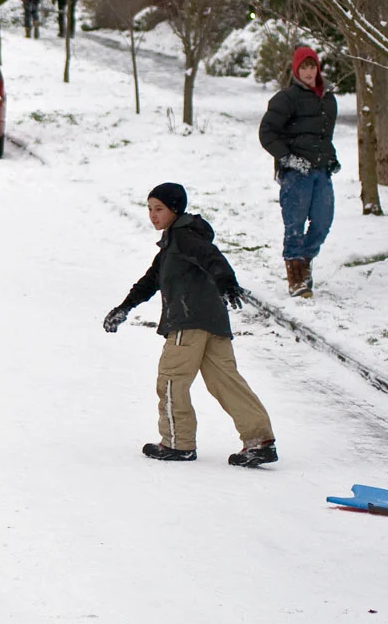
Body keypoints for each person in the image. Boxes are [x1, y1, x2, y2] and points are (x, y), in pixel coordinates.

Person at [102, 182, 278, 468]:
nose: (152, 215)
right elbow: (150, 281)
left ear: (174, 209)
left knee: (171, 380)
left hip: (188, 322)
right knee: (226, 381)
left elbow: (211, 258)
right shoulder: (175, 243)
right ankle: (260, 441)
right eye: (149, 209)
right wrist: (124, 307)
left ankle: (177, 442)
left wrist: (226, 281)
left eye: (158, 209)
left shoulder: (183, 238)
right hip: (213, 322)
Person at [258, 45, 340, 297]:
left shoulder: (328, 99)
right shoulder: (286, 98)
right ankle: (295, 276)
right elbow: (267, 133)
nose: (308, 71)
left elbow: (324, 135)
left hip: (320, 170)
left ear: (317, 68)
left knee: (323, 222)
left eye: (311, 66)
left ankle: (305, 261)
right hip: (296, 174)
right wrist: (288, 159)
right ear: (296, 70)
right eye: (303, 67)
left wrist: (331, 157)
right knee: (294, 224)